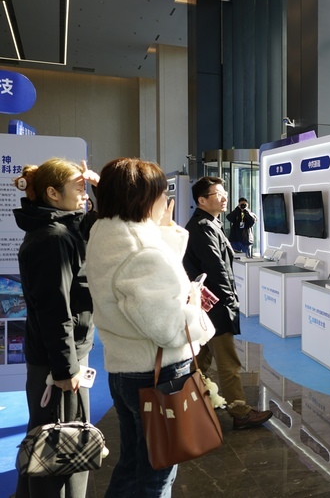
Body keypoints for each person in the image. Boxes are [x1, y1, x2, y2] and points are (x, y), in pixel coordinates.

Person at [85, 158, 215, 496]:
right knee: (157, 475)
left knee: (133, 465)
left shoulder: (106, 232)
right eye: (161, 193)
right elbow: (166, 328)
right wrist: (194, 307)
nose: (165, 200)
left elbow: (143, 278)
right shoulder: (142, 250)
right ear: (144, 198)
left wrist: (164, 232)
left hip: (125, 369)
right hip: (158, 375)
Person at [12, 158, 99, 498]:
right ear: (52, 193)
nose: (85, 194)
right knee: (60, 451)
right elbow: (54, 310)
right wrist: (65, 369)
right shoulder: (52, 238)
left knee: (44, 444)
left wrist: (99, 185)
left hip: (62, 357)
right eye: (79, 188)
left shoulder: (64, 228)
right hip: (59, 363)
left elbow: (100, 220)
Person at [183, 176, 272, 430]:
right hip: (215, 305)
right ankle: (239, 412)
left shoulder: (210, 223)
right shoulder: (202, 227)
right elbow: (216, 269)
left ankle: (190, 402)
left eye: (224, 193)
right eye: (218, 194)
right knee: (228, 361)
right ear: (202, 200)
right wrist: (230, 300)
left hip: (208, 304)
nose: (224, 198)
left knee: (200, 359)